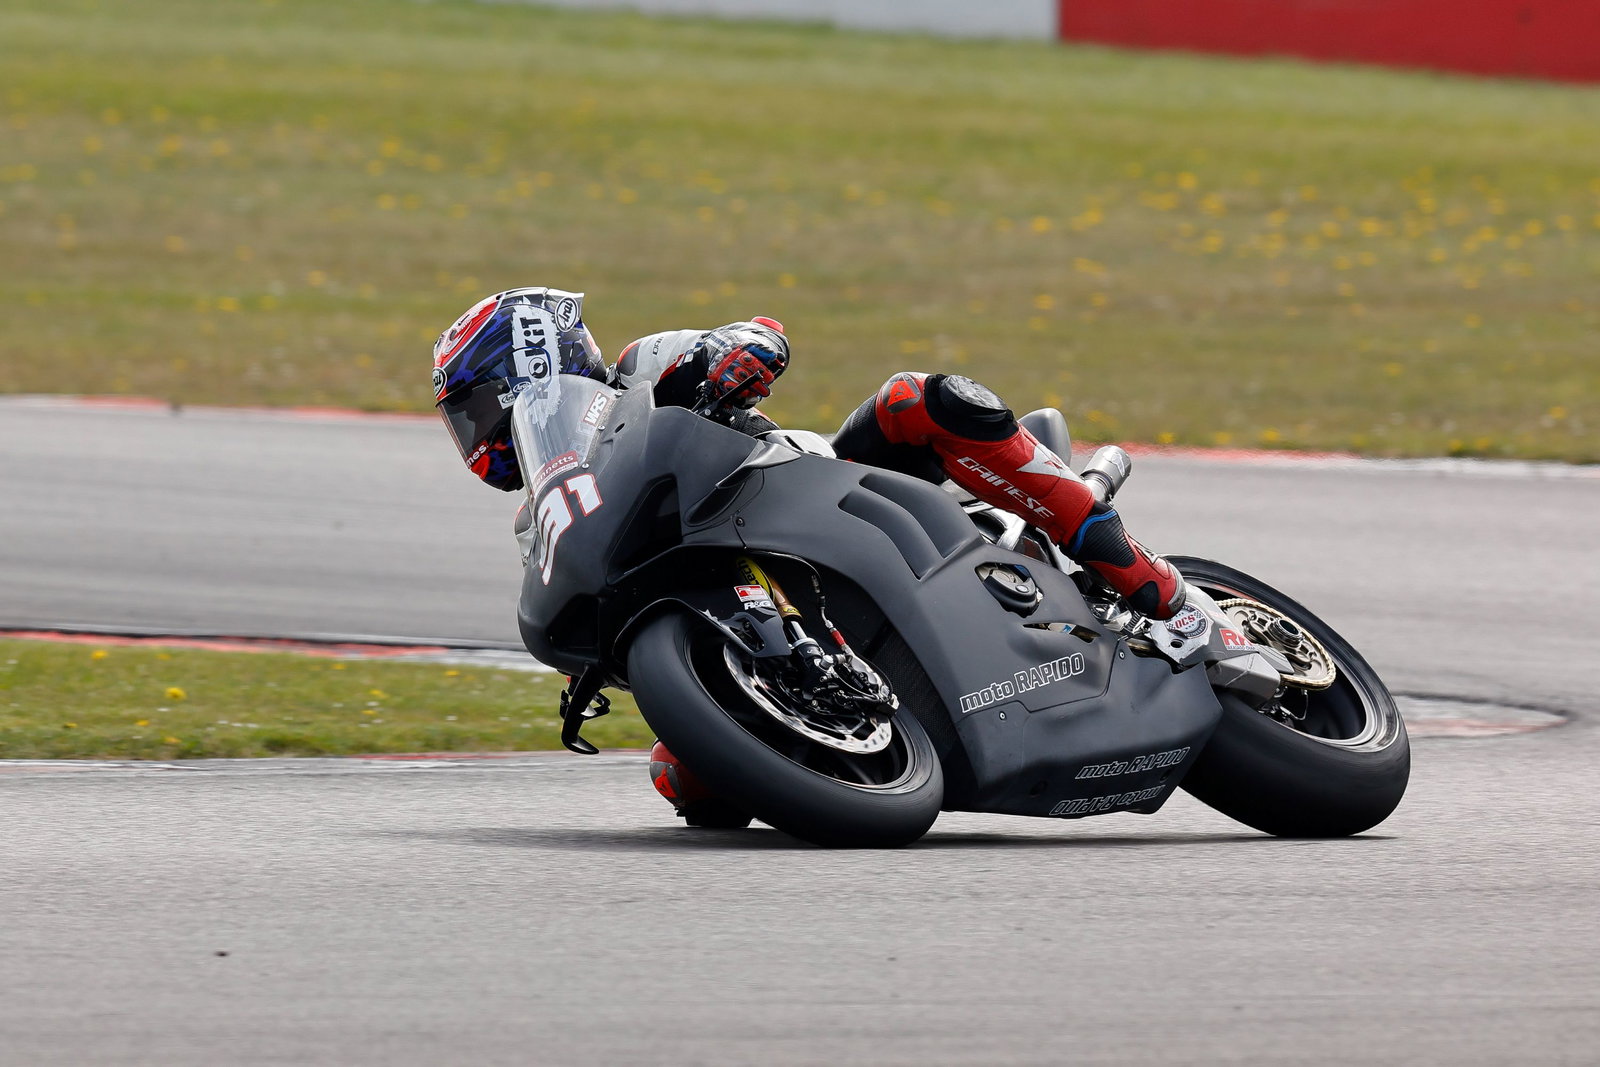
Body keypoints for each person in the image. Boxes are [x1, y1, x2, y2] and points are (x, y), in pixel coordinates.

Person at [433, 286, 1187, 818]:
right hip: (728, 595)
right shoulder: (544, 513)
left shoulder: (643, 366)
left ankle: (1147, 579)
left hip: (820, 497)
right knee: (689, 785)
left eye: (476, 406)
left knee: (920, 399)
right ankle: (848, 725)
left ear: (529, 361)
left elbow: (761, 330)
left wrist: (740, 354)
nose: (475, 435)